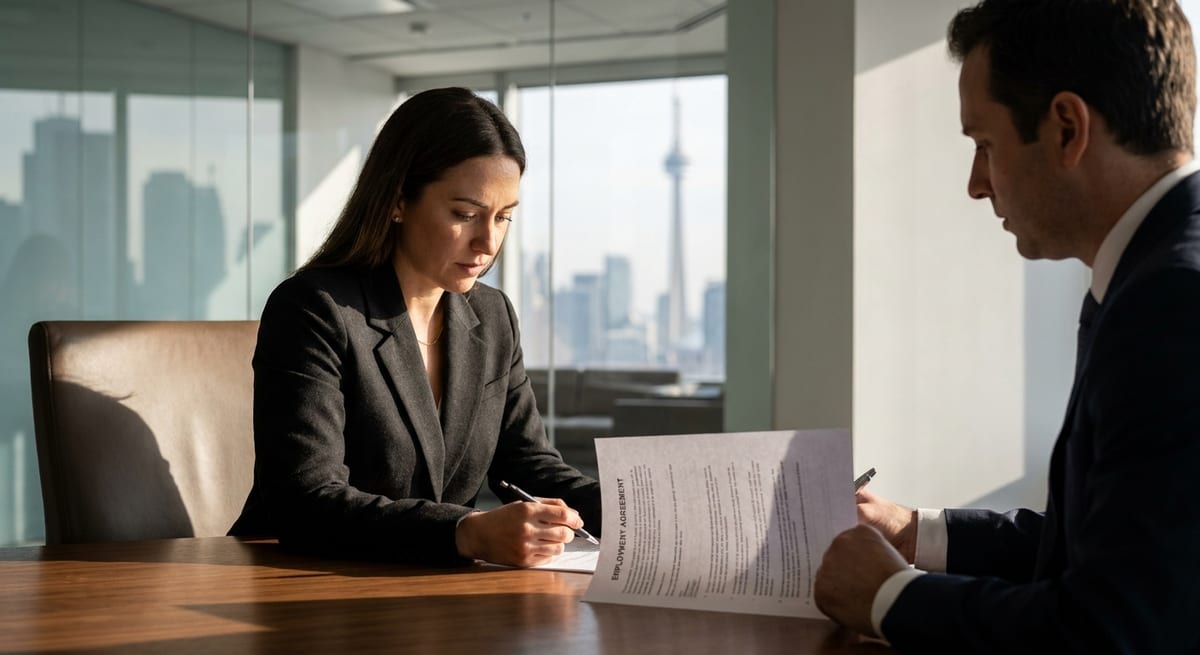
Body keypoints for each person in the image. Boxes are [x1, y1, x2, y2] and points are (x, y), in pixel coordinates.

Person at [813, 1, 1200, 651]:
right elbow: (1112, 549)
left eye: (984, 145)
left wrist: (889, 596)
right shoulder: (1149, 274)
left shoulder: (1171, 302)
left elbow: (1116, 628)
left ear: (1067, 128)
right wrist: (917, 529)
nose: (975, 183)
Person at [230, 87, 600, 567]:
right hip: (301, 577)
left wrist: (650, 510)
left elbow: (530, 467)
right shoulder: (314, 309)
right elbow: (304, 500)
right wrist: (466, 532)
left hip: (432, 587)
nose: (488, 241)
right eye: (464, 214)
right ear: (399, 199)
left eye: (504, 217)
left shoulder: (493, 317)